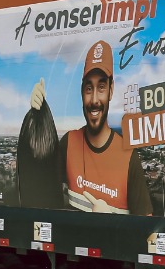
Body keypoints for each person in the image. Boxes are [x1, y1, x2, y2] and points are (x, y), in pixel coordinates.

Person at [29, 40, 138, 213]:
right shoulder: (69, 142)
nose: (94, 100)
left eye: (101, 87)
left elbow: (151, 235)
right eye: (89, 88)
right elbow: (43, 191)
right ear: (81, 92)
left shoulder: (129, 156)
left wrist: (114, 225)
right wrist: (37, 117)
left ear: (111, 90)